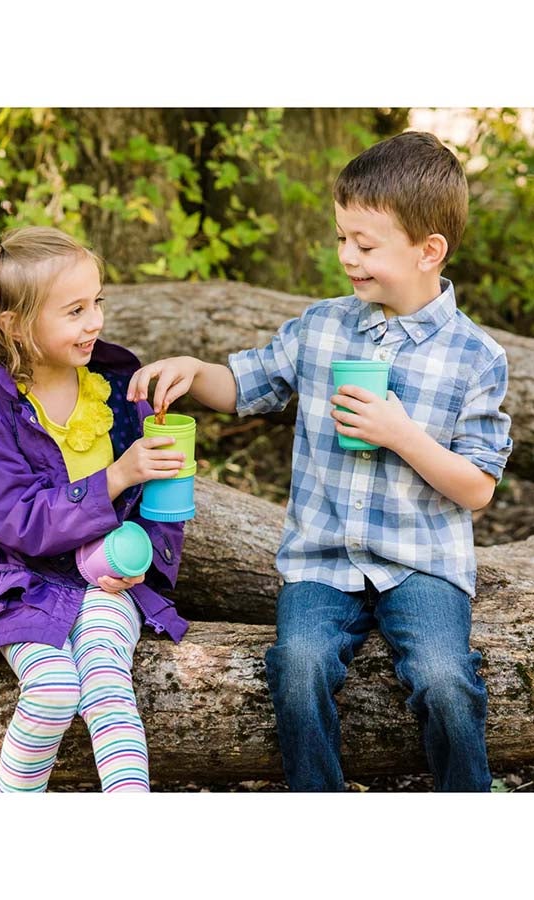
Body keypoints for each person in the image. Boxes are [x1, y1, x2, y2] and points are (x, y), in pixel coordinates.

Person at [126, 131, 513, 792]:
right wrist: (196, 372)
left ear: (429, 251)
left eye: (365, 244)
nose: (347, 257)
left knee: (447, 678)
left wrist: (401, 433)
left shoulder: (476, 357)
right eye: (341, 239)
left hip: (422, 560)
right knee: (298, 665)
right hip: (322, 560)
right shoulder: (322, 327)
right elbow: (247, 386)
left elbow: (476, 488)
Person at [0, 226, 190, 793]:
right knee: (54, 688)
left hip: (104, 579)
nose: (95, 322)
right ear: (13, 325)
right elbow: (16, 520)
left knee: (110, 684)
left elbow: (157, 503)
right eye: (74, 311)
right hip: (14, 579)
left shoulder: (115, 385)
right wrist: (117, 475)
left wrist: (143, 559)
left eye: (97, 303)